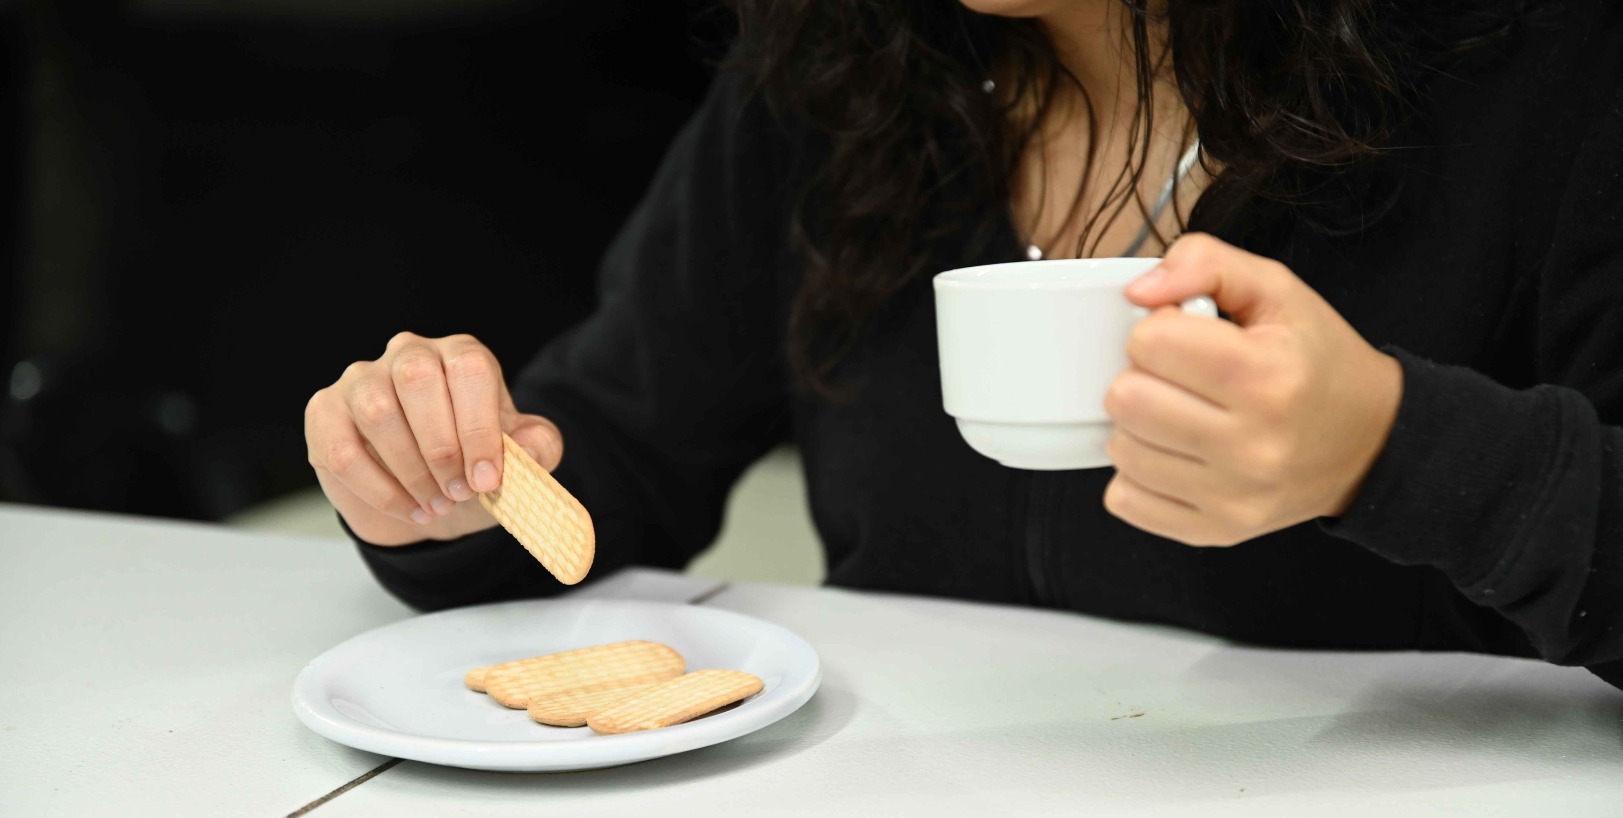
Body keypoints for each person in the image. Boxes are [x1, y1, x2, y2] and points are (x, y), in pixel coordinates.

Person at [303, 0, 1623, 690]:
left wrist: (1389, 451)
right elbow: (617, 455)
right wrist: (445, 483)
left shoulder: (1536, 67)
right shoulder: (834, 67)